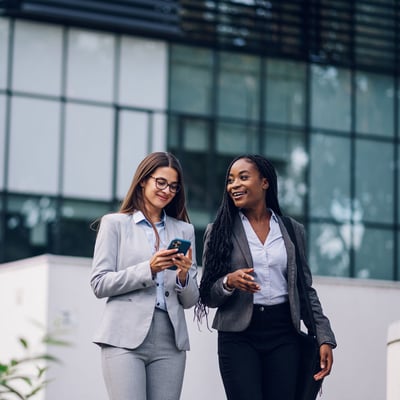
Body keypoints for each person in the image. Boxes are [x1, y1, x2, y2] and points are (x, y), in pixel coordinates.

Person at [196, 154, 336, 400]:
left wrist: (324, 337)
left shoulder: (292, 230)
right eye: (230, 180)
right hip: (238, 338)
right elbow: (207, 294)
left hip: (284, 334)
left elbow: (305, 290)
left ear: (264, 182)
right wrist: (229, 282)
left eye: (243, 177)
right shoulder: (218, 231)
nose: (234, 185)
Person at [90, 152, 199, 400]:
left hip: (170, 340)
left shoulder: (184, 229)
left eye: (173, 186)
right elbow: (99, 283)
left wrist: (183, 275)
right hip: (123, 337)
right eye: (160, 182)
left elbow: (191, 300)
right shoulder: (114, 224)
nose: (167, 190)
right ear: (143, 180)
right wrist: (148, 269)